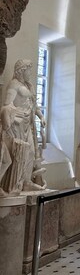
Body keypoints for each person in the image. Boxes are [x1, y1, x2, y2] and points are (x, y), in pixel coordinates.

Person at [0, 59, 46, 194]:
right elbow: (6, 106)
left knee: (30, 152)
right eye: (28, 70)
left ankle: (26, 182)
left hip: (28, 124)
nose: (30, 73)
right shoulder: (14, 85)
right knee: (19, 153)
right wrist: (15, 115)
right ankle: (15, 183)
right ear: (21, 71)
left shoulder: (29, 86)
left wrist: (41, 116)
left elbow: (34, 105)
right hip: (17, 125)